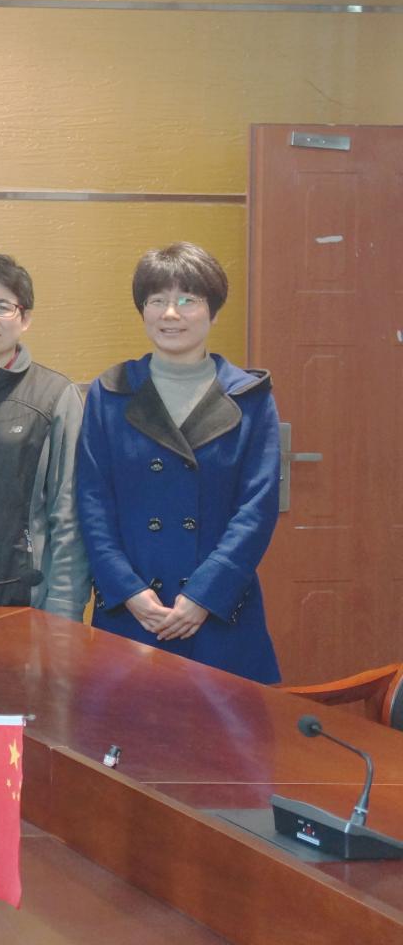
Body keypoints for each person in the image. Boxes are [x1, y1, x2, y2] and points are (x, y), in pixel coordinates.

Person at [76, 243, 280, 682]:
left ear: (213, 311)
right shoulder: (110, 393)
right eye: (157, 300)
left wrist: (204, 596)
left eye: (188, 300)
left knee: (226, 724)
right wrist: (128, 590)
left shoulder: (249, 397)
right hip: (133, 611)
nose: (171, 313)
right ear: (143, 311)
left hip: (220, 612)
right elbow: (92, 503)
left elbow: (257, 509)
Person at [0, 253, 88, 619]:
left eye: (3, 306)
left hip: (21, 603)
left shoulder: (54, 396)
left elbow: (69, 516)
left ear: (25, 319)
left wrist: (63, 612)